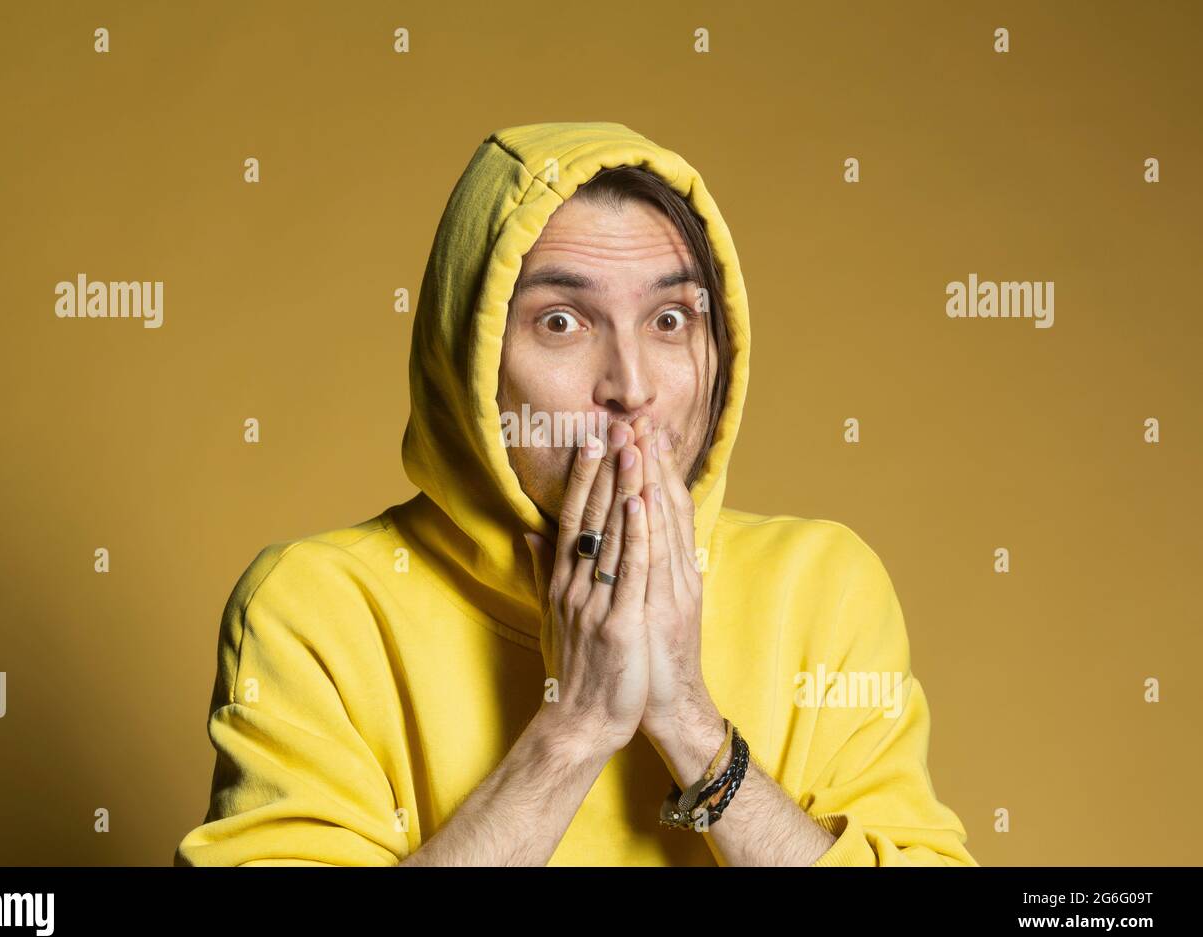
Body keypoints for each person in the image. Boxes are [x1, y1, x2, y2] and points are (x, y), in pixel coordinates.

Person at [174, 121, 977, 866]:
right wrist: (579, 723)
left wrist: (689, 722)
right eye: (562, 322)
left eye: (669, 319)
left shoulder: (822, 585)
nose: (631, 387)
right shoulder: (316, 609)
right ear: (470, 361)